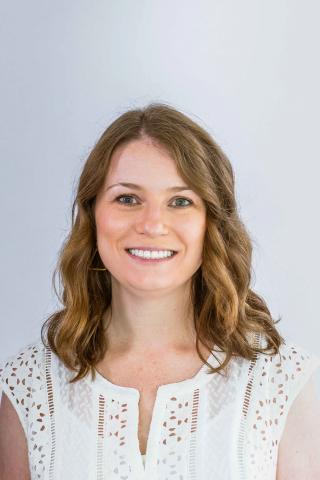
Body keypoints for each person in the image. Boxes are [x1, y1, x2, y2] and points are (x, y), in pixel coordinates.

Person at [0, 103, 319, 480]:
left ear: (210, 224)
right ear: (92, 215)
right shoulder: (31, 385)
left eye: (180, 201)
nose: (152, 224)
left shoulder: (279, 382)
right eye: (127, 199)